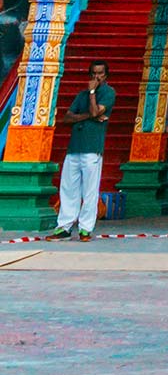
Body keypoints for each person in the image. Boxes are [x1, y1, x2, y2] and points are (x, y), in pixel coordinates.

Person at [46, 60, 115, 241]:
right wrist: (88, 116)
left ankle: (85, 228)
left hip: (92, 147)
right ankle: (64, 227)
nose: (96, 76)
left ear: (106, 76)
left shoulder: (108, 93)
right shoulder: (80, 95)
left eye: (100, 73)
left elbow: (95, 111)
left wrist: (92, 93)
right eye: (93, 73)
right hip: (74, 147)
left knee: (90, 190)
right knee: (68, 188)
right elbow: (67, 118)